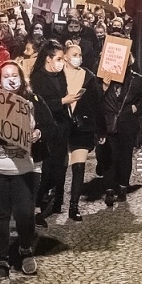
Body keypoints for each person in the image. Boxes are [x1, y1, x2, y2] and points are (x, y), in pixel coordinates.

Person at [0, 61, 49, 279]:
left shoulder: (33, 101)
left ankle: (25, 250)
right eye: (6, 75)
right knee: (0, 215)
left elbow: (52, 127)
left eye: (15, 75)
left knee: (25, 214)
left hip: (25, 169)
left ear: (21, 79)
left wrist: (38, 133)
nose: (10, 79)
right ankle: (2, 259)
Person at [29, 41, 74, 221]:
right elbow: (42, 105)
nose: (61, 62)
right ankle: (38, 205)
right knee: (46, 169)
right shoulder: (38, 78)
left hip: (61, 128)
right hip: (46, 129)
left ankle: (56, 200)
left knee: (59, 167)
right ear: (48, 59)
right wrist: (63, 101)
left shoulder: (60, 75)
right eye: (58, 59)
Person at [98, 66, 142, 204]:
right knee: (108, 157)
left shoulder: (135, 80)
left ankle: (123, 187)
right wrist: (104, 87)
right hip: (108, 124)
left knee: (125, 157)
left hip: (127, 125)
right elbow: (95, 98)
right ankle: (109, 190)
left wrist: (137, 107)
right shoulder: (102, 78)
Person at [60, 41, 102, 221]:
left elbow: (96, 105)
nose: (78, 58)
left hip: (82, 127)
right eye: (74, 54)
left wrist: (101, 131)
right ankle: (54, 202)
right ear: (65, 57)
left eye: (80, 55)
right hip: (61, 126)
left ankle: (74, 206)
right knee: (58, 169)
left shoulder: (88, 77)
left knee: (79, 167)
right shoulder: (57, 76)